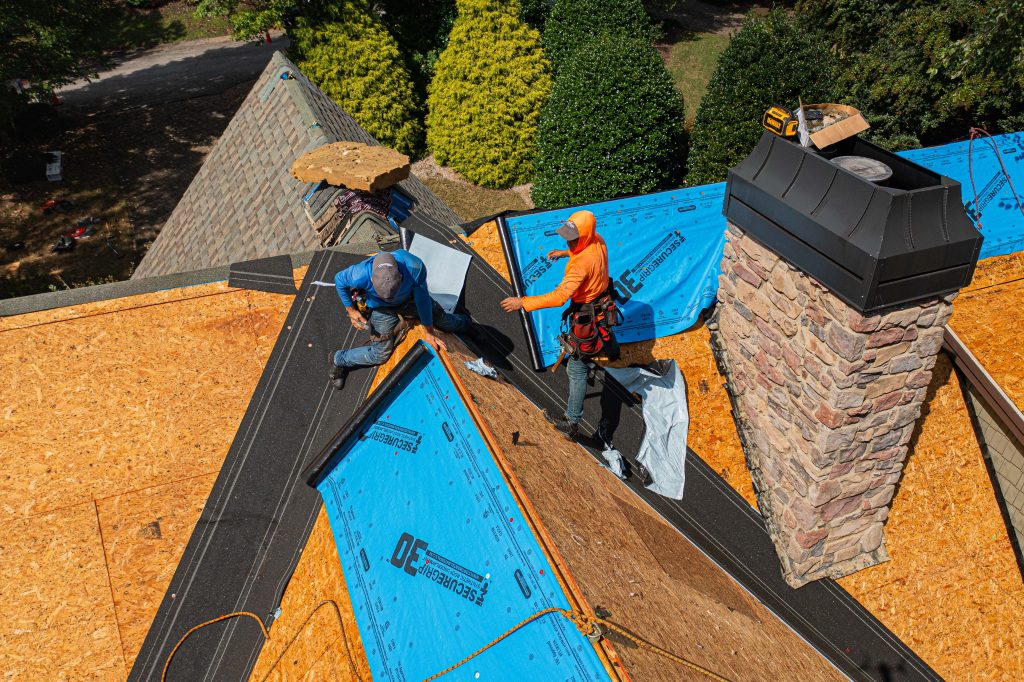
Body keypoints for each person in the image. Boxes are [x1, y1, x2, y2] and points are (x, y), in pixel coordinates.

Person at [500, 210, 619, 440]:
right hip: (604, 301)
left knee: (577, 368)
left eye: (572, 239)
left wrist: (522, 302)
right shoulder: (598, 239)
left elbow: (558, 297)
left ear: (584, 236)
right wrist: (566, 253)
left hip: (586, 313)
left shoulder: (580, 267)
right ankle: (613, 353)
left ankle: (572, 422)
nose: (568, 241)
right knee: (605, 329)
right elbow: (584, 252)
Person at [329, 250, 471, 388]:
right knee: (379, 355)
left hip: (411, 301)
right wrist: (351, 311)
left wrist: (429, 332)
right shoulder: (359, 274)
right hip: (382, 310)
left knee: (446, 322)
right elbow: (339, 280)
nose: (390, 298)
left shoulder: (414, 267)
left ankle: (468, 325)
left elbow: (423, 301)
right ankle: (339, 359)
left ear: (401, 277)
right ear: (371, 279)